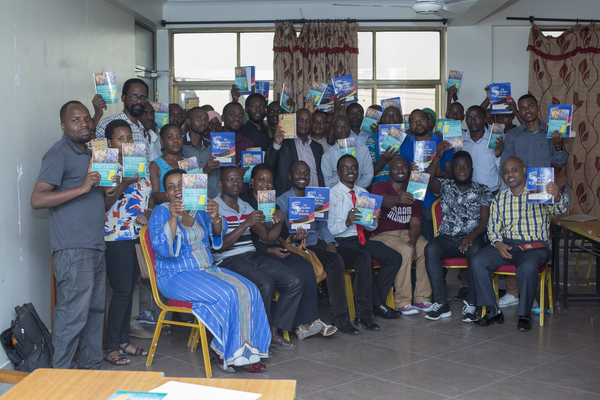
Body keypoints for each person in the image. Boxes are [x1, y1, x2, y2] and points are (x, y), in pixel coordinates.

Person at [148, 169, 270, 372]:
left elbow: (216, 240)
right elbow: (163, 249)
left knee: (250, 289)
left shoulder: (200, 209)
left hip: (205, 270)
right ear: (166, 193)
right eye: (171, 187)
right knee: (228, 293)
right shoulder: (161, 212)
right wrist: (173, 217)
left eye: (181, 184)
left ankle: (247, 351)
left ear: (190, 186)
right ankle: (224, 351)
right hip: (175, 276)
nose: (177, 189)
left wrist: (215, 217)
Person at [31, 101, 118, 369]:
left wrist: (114, 188)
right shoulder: (58, 153)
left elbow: (100, 204)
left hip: (95, 245)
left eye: (87, 119)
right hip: (72, 248)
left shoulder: (92, 154)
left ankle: (90, 367)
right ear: (63, 126)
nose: (83, 124)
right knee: (71, 314)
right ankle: (61, 376)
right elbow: (37, 199)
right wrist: (81, 188)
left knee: (94, 312)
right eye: (75, 120)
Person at [241, 164, 337, 340]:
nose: (266, 184)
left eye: (270, 180)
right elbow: (248, 238)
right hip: (258, 253)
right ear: (252, 182)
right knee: (296, 273)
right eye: (261, 180)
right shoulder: (245, 202)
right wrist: (269, 249)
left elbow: (283, 235)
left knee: (305, 266)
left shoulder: (274, 203)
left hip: (277, 249)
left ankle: (309, 321)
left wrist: (296, 237)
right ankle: (303, 323)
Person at [278, 161, 375, 334]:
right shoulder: (283, 201)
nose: (302, 176)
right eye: (298, 173)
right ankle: (340, 319)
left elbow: (323, 227)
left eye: (306, 173)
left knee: (363, 257)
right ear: (290, 176)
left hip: (322, 243)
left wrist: (331, 242)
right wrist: (296, 236)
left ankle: (364, 315)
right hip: (303, 248)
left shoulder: (316, 197)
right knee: (334, 261)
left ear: (310, 176)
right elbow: (283, 235)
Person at [213, 167, 304, 350]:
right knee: (265, 285)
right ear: (220, 183)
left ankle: (272, 332)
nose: (235, 183)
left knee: (295, 281)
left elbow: (269, 237)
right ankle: (259, 336)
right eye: (230, 180)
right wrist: (245, 224)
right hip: (228, 260)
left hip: (252, 256)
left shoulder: (246, 206)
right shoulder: (214, 208)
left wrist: (279, 222)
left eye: (239, 180)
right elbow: (219, 246)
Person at [471, 158, 567, 331]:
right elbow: (492, 228)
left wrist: (557, 196)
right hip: (508, 245)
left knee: (528, 266)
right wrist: (498, 243)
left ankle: (524, 315)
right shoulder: (500, 198)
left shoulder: (539, 192)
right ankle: (493, 312)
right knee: (478, 260)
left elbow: (559, 210)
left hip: (535, 247)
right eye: (506, 171)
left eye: (514, 170)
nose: (510, 174)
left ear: (524, 171)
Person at [498, 94, 568, 308]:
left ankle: (533, 295)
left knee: (535, 246)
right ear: (519, 111)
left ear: (538, 107)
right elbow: (505, 166)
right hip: (516, 196)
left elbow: (560, 162)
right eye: (522, 108)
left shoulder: (552, 133)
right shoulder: (512, 136)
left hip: (540, 197)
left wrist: (558, 146)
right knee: (511, 239)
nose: (527, 110)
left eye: (530, 106)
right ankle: (513, 292)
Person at [102, 120, 153, 365]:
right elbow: (103, 205)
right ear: (109, 142)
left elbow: (148, 199)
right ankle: (112, 347)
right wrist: (125, 182)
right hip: (116, 236)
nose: (126, 143)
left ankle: (123, 341)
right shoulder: (106, 166)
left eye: (129, 138)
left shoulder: (139, 164)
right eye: (120, 138)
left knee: (129, 290)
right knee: (121, 292)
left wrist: (148, 213)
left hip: (137, 236)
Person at [328, 155, 402, 323]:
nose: (350, 171)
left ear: (358, 170)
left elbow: (370, 228)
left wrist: (374, 218)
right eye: (345, 168)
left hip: (361, 240)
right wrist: (347, 222)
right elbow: (328, 230)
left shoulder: (364, 193)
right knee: (365, 258)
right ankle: (377, 304)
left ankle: (375, 301)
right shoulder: (332, 195)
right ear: (338, 172)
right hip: (342, 242)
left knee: (394, 257)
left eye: (353, 167)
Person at [422, 151, 492, 322]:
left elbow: (485, 221)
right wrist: (436, 159)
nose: (462, 170)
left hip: (473, 238)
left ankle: (471, 303)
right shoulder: (445, 186)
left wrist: (471, 236)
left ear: (472, 169)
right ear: (452, 169)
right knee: (430, 248)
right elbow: (426, 180)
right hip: (447, 238)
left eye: (466, 166)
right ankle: (441, 303)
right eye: (458, 167)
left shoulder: (483, 190)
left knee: (477, 253)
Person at [370, 156, 432, 315]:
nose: (400, 171)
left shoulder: (414, 190)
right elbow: (382, 201)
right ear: (389, 170)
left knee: (426, 247)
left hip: (404, 233)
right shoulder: (379, 186)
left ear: (409, 170)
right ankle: (402, 302)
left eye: (404, 167)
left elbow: (416, 224)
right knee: (405, 250)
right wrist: (398, 199)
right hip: (381, 234)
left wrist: (413, 240)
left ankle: (422, 298)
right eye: (395, 167)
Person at [399, 109, 454, 241]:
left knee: (438, 245)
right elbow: (399, 178)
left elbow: (451, 174)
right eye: (413, 121)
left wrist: (441, 173)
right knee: (419, 245)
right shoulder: (405, 146)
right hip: (415, 203)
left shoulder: (443, 143)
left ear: (429, 121)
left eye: (422, 119)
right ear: (410, 126)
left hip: (440, 203)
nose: (418, 123)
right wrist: (408, 172)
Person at [265, 108, 325, 195]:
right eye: (300, 119)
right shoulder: (283, 142)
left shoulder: (317, 147)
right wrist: (277, 144)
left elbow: (320, 174)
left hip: (315, 196)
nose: (304, 123)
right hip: (289, 196)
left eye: (308, 121)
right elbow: (268, 165)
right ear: (294, 121)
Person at [95, 78, 151, 167]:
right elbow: (97, 158)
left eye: (143, 97)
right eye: (134, 96)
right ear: (123, 98)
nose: (139, 101)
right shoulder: (107, 123)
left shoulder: (142, 129)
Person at [321, 116, 374, 188]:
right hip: (338, 193)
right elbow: (327, 182)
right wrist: (342, 173)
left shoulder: (363, 149)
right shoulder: (327, 156)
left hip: (359, 192)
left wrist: (354, 189)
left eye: (346, 126)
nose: (343, 129)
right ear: (333, 130)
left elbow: (368, 175)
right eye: (339, 126)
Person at [460, 105, 503, 193]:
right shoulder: (460, 142)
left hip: (491, 192)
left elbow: (502, 170)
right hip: (467, 193)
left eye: (477, 117)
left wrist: (498, 156)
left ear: (484, 119)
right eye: (469, 118)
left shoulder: (495, 139)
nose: (473, 121)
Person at [181, 107, 221, 198]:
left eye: (206, 119)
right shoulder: (181, 146)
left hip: (215, 198)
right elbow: (183, 176)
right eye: (198, 118)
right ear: (188, 121)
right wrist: (204, 170)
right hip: (192, 199)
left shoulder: (213, 145)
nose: (203, 122)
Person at [366, 105, 402, 184]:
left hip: (403, 188)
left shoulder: (408, 139)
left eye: (395, 115)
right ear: (382, 119)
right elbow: (368, 172)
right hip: (379, 186)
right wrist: (383, 160)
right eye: (388, 115)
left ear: (401, 118)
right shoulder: (372, 140)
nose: (391, 118)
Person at [149, 124, 184, 205]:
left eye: (179, 136)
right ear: (162, 142)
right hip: (165, 209)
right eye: (170, 137)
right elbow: (154, 196)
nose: (176, 140)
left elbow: (196, 190)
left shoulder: (189, 162)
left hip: (187, 209)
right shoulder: (155, 165)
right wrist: (176, 193)